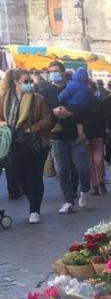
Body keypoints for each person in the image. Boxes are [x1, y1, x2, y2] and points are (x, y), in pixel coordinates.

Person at [0, 70, 52, 223]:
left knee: (34, 176)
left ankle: (34, 209)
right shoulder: (4, 99)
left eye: (30, 81)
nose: (30, 84)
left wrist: (33, 129)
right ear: (16, 82)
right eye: (26, 81)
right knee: (20, 176)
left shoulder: (38, 99)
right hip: (13, 143)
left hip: (34, 143)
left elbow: (48, 119)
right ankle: (32, 199)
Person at [52, 105, 90, 213]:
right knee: (62, 171)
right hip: (58, 139)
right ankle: (68, 201)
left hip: (76, 138)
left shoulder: (76, 97)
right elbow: (47, 113)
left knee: (82, 167)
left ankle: (84, 190)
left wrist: (70, 113)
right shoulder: (48, 92)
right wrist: (54, 111)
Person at [86, 80, 107, 194]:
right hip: (88, 135)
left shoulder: (97, 102)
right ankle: (95, 184)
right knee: (92, 161)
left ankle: (100, 183)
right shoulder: (95, 101)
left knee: (97, 161)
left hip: (95, 134)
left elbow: (102, 119)